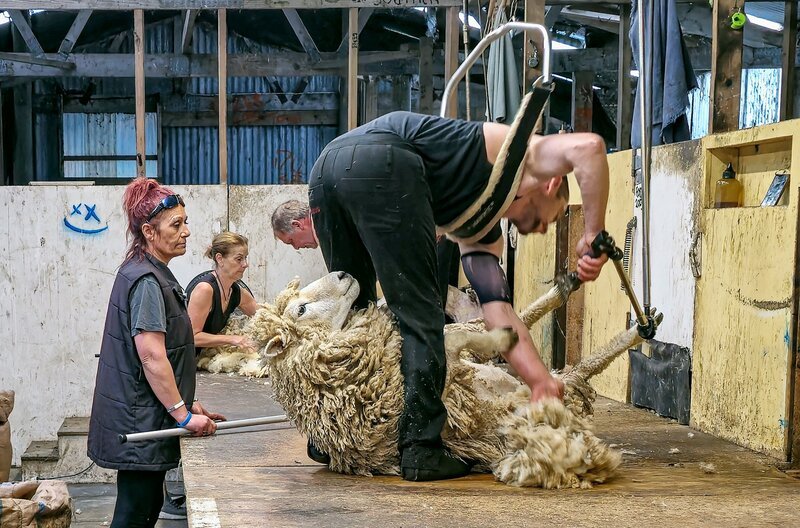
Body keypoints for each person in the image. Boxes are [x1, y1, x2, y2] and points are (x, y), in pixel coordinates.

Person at [296, 109, 611, 483]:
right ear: (550, 185)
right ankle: (421, 450)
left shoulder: (480, 230)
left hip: (325, 169)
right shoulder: (524, 157)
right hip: (382, 163)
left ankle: (331, 439)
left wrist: (540, 381)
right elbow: (589, 147)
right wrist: (593, 232)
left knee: (355, 312)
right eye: (554, 217)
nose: (543, 228)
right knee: (421, 314)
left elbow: (500, 315)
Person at [87, 177, 225, 528]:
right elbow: (151, 356)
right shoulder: (148, 282)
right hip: (139, 420)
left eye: (185, 222)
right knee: (135, 512)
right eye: (176, 225)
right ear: (149, 231)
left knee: (146, 505)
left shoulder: (147, 271)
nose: (186, 232)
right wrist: (181, 415)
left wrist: (185, 401)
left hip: (143, 413)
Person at [186, 231, 260, 352]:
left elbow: (264, 317)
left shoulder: (237, 292)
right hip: (184, 361)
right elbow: (192, 337)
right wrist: (232, 339)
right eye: (239, 259)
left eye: (245, 258)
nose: (245, 264)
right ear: (219, 259)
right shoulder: (205, 289)